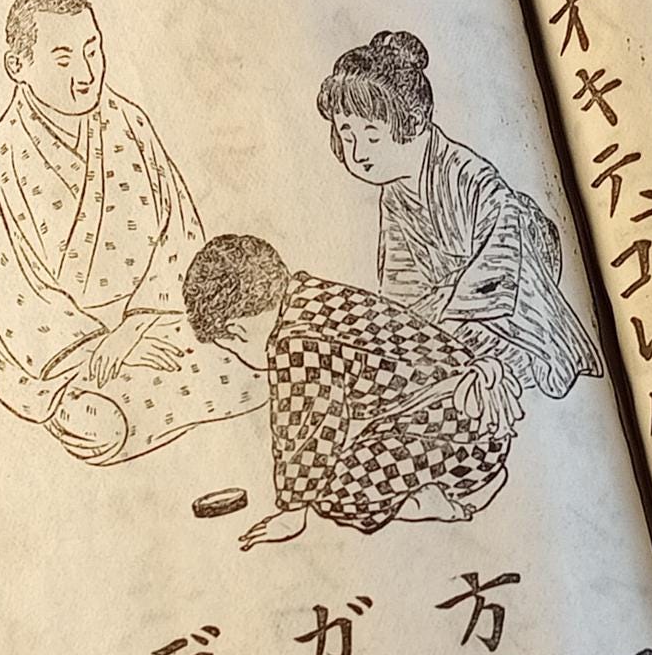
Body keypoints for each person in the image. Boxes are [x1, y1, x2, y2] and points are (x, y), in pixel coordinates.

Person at [0, 0, 262, 463]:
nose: (85, 74)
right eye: (63, 59)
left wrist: (136, 330)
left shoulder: (128, 123)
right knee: (99, 425)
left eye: (92, 50)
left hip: (156, 322)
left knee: (258, 367)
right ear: (18, 66)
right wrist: (106, 347)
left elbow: (178, 237)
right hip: (71, 360)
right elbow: (12, 294)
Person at [318, 29, 603, 409]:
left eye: (371, 135)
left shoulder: (466, 175)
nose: (358, 153)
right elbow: (402, 293)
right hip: (454, 317)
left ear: (413, 121)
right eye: (347, 134)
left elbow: (503, 265)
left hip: (508, 318)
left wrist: (444, 322)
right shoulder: (396, 193)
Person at [181, 232, 517, 550]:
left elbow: (308, 432)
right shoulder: (310, 296)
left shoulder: (296, 342)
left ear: (237, 331)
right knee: (341, 464)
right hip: (471, 423)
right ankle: (460, 483)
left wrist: (291, 513)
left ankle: (447, 499)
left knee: (335, 491)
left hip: (462, 437)